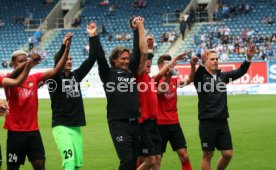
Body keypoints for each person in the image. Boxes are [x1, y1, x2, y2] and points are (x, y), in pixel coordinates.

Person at [3, 33, 71, 170]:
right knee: (13, 167)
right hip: (15, 131)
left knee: (40, 165)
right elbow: (16, 75)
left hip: (33, 131)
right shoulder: (9, 79)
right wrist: (29, 62)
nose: (23, 62)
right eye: (20, 61)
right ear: (13, 64)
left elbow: (57, 69)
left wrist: (66, 47)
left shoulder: (35, 78)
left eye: (25, 60)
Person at [88, 16, 147, 170]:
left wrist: (135, 30)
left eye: (127, 59)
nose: (126, 61)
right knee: (126, 160)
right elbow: (99, 56)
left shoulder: (130, 72)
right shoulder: (108, 74)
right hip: (118, 124)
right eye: (123, 59)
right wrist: (93, 36)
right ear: (114, 60)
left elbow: (137, 52)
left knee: (134, 161)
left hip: (135, 123)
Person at [193, 45, 257, 170]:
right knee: (208, 155)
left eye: (217, 59)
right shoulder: (201, 78)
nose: (215, 61)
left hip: (222, 122)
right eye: (212, 59)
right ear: (206, 62)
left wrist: (248, 58)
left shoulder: (222, 77)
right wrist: (200, 63)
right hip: (207, 123)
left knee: (228, 154)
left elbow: (240, 72)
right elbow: (196, 76)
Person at [136, 36, 187, 170]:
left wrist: (174, 62)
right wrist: (150, 48)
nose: (148, 63)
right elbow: (160, 90)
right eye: (146, 62)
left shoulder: (149, 78)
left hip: (153, 123)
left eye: (150, 62)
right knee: (147, 159)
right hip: (144, 123)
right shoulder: (142, 78)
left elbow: (161, 77)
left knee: (154, 159)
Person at [48, 28, 96, 170]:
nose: (69, 61)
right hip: (61, 126)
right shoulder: (53, 79)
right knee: (69, 162)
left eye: (70, 59)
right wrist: (65, 46)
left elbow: (91, 59)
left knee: (76, 165)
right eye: (66, 59)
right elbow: (57, 64)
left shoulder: (76, 76)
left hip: (76, 127)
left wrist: (92, 37)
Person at [156, 54, 198, 170]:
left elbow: (190, 79)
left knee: (184, 156)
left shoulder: (175, 81)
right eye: (168, 65)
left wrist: (193, 66)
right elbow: (160, 90)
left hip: (174, 124)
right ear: (160, 67)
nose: (170, 67)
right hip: (159, 125)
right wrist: (168, 75)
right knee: (157, 160)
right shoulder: (155, 81)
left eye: (171, 65)